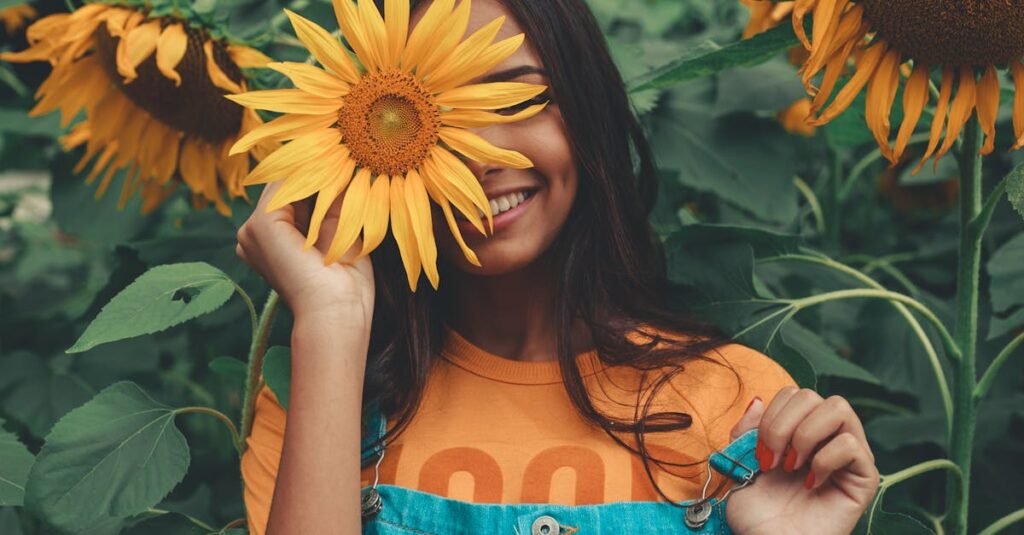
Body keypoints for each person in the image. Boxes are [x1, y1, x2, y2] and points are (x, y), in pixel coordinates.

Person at [235, 0, 881, 533]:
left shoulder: (743, 409)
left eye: (515, 103)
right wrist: (329, 315)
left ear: (589, 109)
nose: (478, 159)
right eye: (431, 127)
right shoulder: (319, 402)